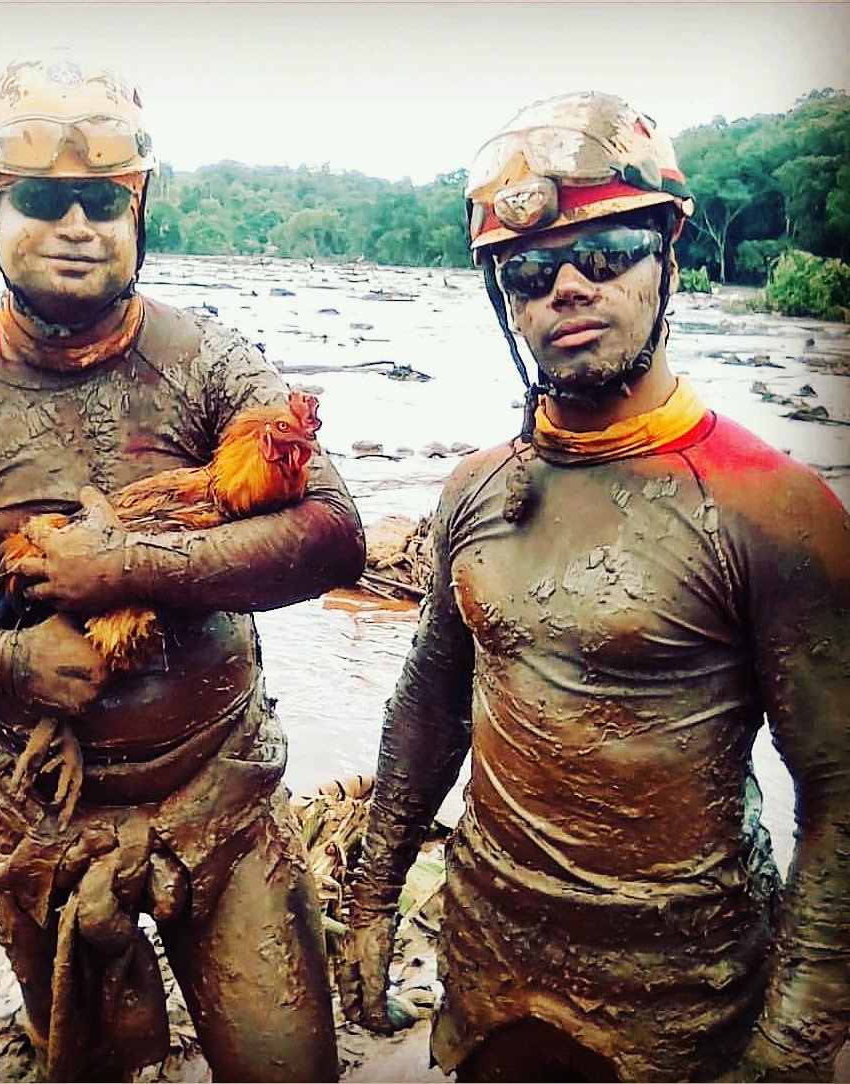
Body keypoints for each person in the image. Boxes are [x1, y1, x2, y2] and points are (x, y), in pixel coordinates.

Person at [0, 54, 364, 1083]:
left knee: (288, 1067)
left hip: (225, 788)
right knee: (97, 1064)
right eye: (43, 198)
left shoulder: (210, 360)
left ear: (140, 211)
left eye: (102, 201)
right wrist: (9, 658)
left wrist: (131, 562)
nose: (76, 224)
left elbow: (335, 533)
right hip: (43, 808)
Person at [340, 91, 849, 1082]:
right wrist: (370, 898)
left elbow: (840, 795)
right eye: (531, 271)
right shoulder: (477, 489)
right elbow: (429, 705)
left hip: (688, 993)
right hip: (493, 963)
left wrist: (790, 1046)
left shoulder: (771, 509)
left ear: (671, 258)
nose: (568, 285)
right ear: (506, 300)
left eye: (607, 255)